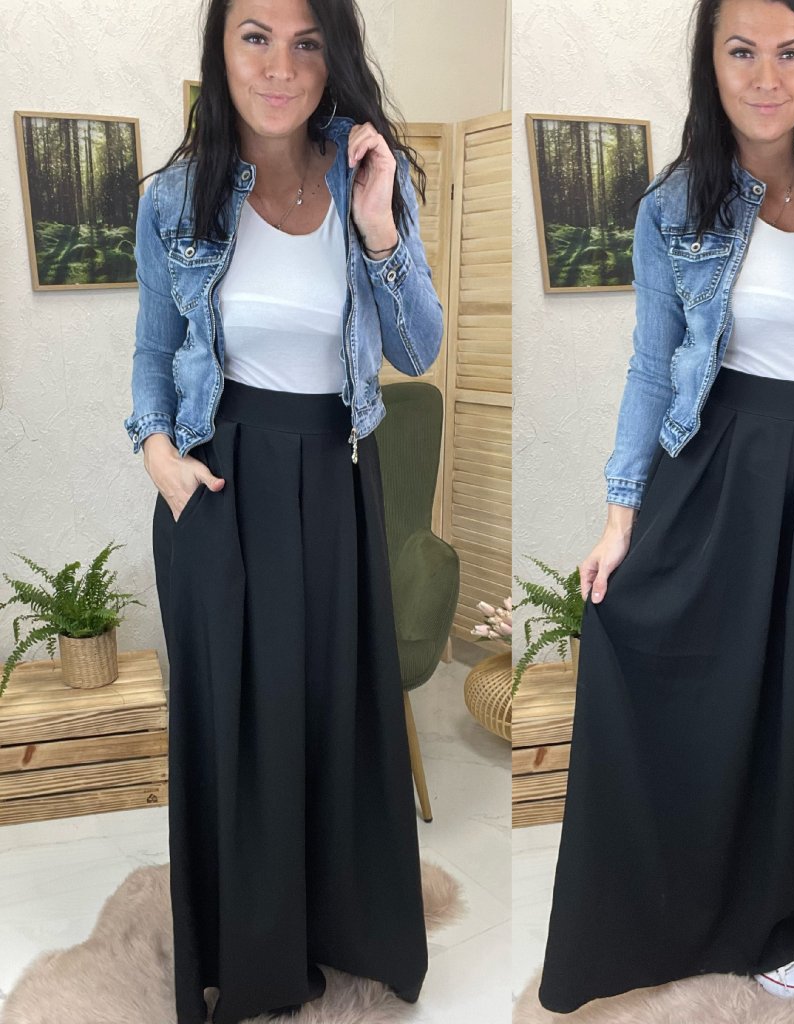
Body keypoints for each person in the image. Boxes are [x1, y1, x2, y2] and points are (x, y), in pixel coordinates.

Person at [537, 0, 794, 1011]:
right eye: (741, 51)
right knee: (700, 689)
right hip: (710, 471)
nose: (765, 77)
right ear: (710, 64)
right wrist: (618, 519)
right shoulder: (675, 205)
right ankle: (695, 910)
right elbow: (650, 369)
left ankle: (786, 903)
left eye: (790, 52)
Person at [123, 1, 443, 1021]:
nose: (280, 66)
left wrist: (380, 226)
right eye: (254, 36)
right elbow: (152, 351)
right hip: (218, 484)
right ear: (220, 50)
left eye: (307, 42)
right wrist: (160, 456)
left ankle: (342, 929)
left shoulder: (365, 175)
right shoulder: (177, 198)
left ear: (332, 57)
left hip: (338, 477)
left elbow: (418, 348)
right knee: (240, 726)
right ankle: (252, 959)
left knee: (336, 713)